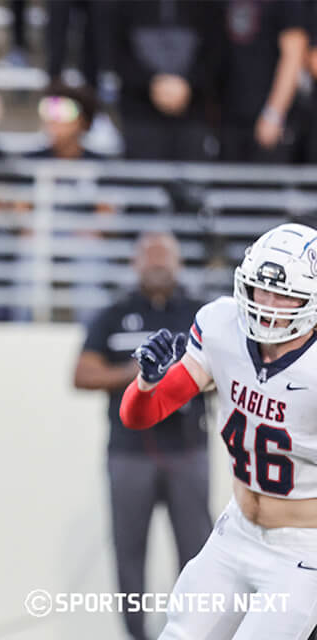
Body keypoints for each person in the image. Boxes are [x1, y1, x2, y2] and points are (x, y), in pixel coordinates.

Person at [121, 222, 317, 638]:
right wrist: (145, 383)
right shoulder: (221, 325)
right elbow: (139, 415)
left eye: (283, 292)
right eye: (260, 288)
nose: (268, 303)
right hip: (237, 533)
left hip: (303, 552)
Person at [75, 232, 211, 640]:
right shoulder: (114, 314)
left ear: (178, 263)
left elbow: (225, 370)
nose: (156, 265)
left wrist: (179, 382)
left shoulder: (199, 314)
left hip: (188, 448)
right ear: (135, 264)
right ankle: (136, 634)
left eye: (164, 258)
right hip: (130, 452)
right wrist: (142, 378)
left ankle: (194, 630)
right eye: (149, 257)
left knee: (199, 551)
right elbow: (82, 374)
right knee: (129, 550)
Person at [110, 0, 224, 161]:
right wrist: (153, 84)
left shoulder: (207, 6)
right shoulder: (124, 6)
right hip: (139, 113)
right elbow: (113, 48)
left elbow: (217, 48)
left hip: (194, 113)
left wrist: (188, 84)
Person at [219, 0, 308, 163]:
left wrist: (274, 113)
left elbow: (294, 55)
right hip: (228, 119)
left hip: (269, 120)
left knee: (266, 185)